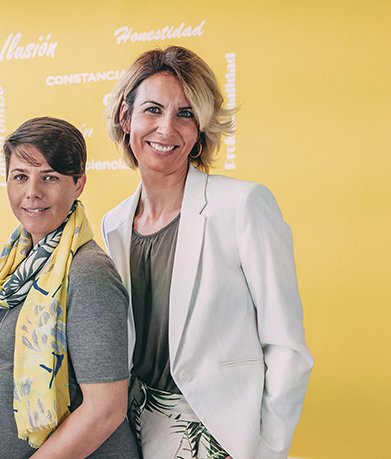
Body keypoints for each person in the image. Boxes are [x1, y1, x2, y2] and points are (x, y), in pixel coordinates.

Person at [101, 46, 314, 459]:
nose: (166, 128)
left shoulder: (243, 205)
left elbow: (287, 347)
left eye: (185, 114)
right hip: (131, 430)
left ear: (200, 129)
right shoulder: (113, 224)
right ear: (126, 118)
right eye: (152, 110)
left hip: (219, 435)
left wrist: (267, 449)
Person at [0, 117, 138, 459]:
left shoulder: (88, 273)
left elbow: (105, 411)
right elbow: (5, 369)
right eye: (20, 177)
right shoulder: (10, 265)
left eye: (50, 177)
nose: (32, 192)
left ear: (78, 184)